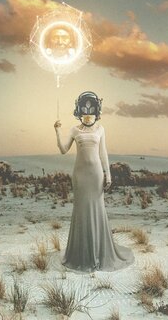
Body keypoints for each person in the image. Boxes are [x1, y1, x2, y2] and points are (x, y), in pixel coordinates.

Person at [54, 91, 134, 272]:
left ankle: (99, 253)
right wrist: (57, 131)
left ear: (96, 110)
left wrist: (108, 173)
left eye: (91, 108)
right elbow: (63, 150)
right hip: (80, 176)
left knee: (98, 209)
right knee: (81, 210)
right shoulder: (75, 130)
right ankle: (81, 254)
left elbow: (103, 153)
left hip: (96, 175)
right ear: (79, 109)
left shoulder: (100, 129)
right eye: (85, 109)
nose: (88, 112)